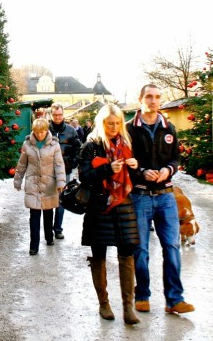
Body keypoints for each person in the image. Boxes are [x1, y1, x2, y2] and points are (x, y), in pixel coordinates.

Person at [125, 84, 195, 315]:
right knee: (141, 249)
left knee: (172, 246)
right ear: (140, 99)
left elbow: (175, 158)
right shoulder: (129, 130)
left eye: (157, 97)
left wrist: (168, 170)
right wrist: (141, 172)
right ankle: (142, 295)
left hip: (166, 196)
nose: (153, 101)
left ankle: (174, 299)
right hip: (140, 196)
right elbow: (125, 161)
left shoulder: (169, 128)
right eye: (148, 97)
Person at [78, 103, 141, 324]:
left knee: (127, 254)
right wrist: (107, 169)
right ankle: (104, 304)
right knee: (99, 256)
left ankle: (128, 308)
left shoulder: (127, 144)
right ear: (101, 123)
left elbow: (137, 179)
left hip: (123, 204)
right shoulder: (91, 146)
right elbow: (84, 175)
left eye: (117, 123)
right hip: (99, 205)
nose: (114, 127)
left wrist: (135, 168)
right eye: (110, 123)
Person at [14, 117, 66, 255]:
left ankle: (49, 237)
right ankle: (34, 246)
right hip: (33, 184)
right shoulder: (27, 145)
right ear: (34, 131)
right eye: (37, 132)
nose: (40, 135)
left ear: (46, 130)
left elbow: (59, 164)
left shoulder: (54, 145)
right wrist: (17, 180)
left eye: (42, 132)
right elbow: (22, 164)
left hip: (49, 184)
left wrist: (61, 182)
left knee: (48, 214)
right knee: (34, 216)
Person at [49, 103, 83, 239]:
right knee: (47, 200)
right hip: (48, 170)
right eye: (55, 115)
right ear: (51, 115)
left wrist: (72, 163)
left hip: (65, 170)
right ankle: (47, 229)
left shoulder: (71, 130)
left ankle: (58, 228)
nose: (57, 117)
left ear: (63, 115)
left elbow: (78, 148)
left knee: (61, 200)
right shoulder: (46, 129)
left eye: (60, 114)